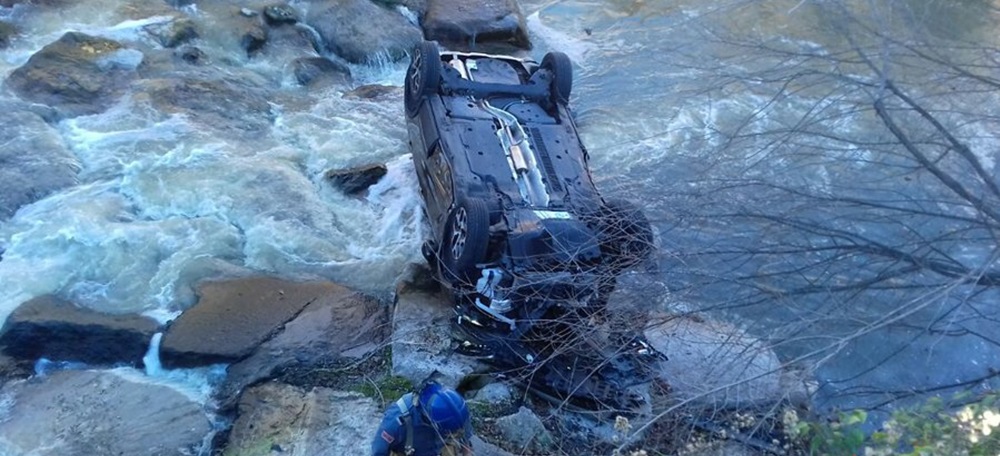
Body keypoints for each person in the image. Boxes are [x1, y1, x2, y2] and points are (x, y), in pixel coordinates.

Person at [371, 381, 473, 456]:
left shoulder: (457, 410)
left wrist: (466, 452)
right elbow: (379, 452)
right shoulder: (396, 422)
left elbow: (465, 438)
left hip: (436, 449)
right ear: (428, 418)